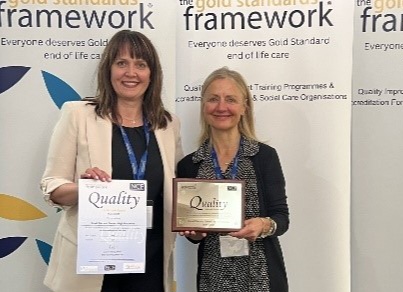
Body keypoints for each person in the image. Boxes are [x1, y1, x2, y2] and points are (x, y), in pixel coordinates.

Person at [40, 30, 183, 292]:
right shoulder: (78, 115)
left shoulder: (168, 124)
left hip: (149, 259)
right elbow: (52, 186)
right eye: (122, 63)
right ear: (109, 70)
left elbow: (176, 190)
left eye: (141, 64)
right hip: (91, 261)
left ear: (152, 74)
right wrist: (85, 189)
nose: (131, 73)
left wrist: (195, 222)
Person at [176, 67, 290, 292]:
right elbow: (194, 234)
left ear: (244, 107)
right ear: (204, 106)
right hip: (213, 278)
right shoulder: (189, 165)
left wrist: (263, 224)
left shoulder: (264, 157)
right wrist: (195, 234)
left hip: (260, 278)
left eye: (230, 99)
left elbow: (282, 218)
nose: (221, 107)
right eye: (213, 99)